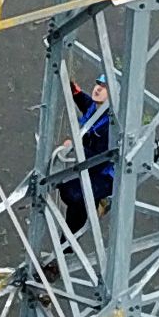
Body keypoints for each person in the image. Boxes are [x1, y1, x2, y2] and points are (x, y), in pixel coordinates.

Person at [57, 78, 114, 236]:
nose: (98, 89)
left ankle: (68, 245)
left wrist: (75, 148)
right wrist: (76, 92)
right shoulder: (96, 108)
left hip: (107, 176)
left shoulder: (110, 126)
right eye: (98, 85)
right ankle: (68, 243)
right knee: (69, 191)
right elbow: (86, 102)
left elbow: (100, 160)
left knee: (74, 195)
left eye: (104, 88)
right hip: (94, 166)